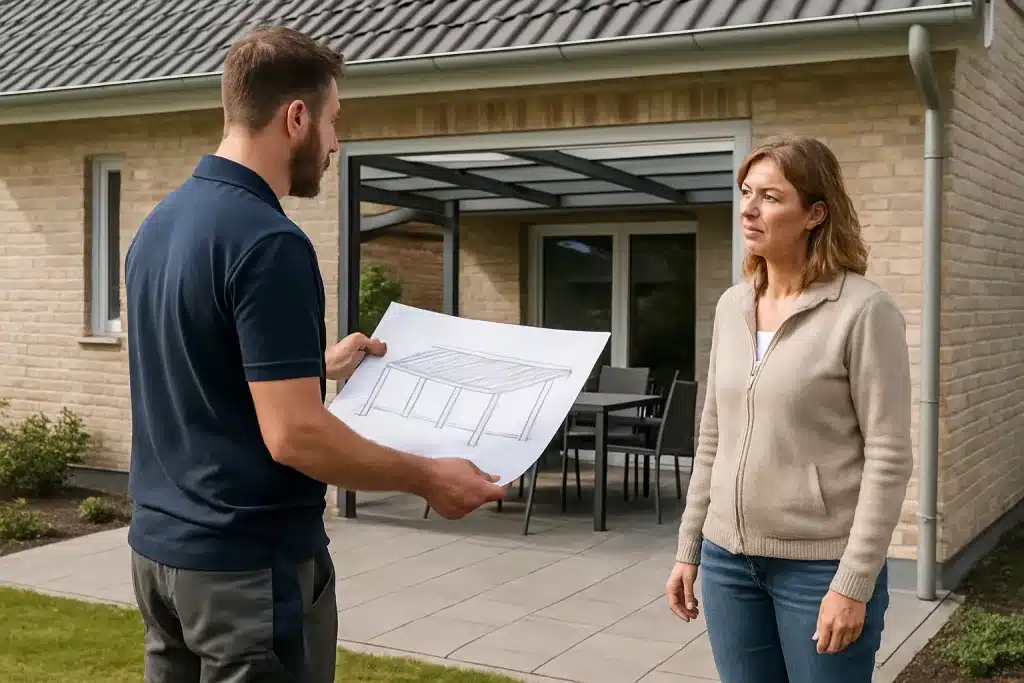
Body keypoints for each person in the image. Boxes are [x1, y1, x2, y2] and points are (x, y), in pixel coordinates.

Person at [124, 25, 506, 683]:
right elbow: (294, 434)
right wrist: (429, 477)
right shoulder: (270, 241)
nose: (335, 143)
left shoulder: (157, 226)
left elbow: (198, 362)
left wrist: (310, 366)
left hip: (160, 561)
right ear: (295, 117)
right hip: (246, 568)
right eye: (333, 121)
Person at [664, 136, 913, 683]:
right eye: (746, 193)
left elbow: (890, 457)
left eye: (771, 197)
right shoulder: (732, 306)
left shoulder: (864, 312)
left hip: (819, 569)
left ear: (814, 214)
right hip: (727, 561)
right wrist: (690, 547)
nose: (749, 209)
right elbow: (712, 436)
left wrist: (853, 583)